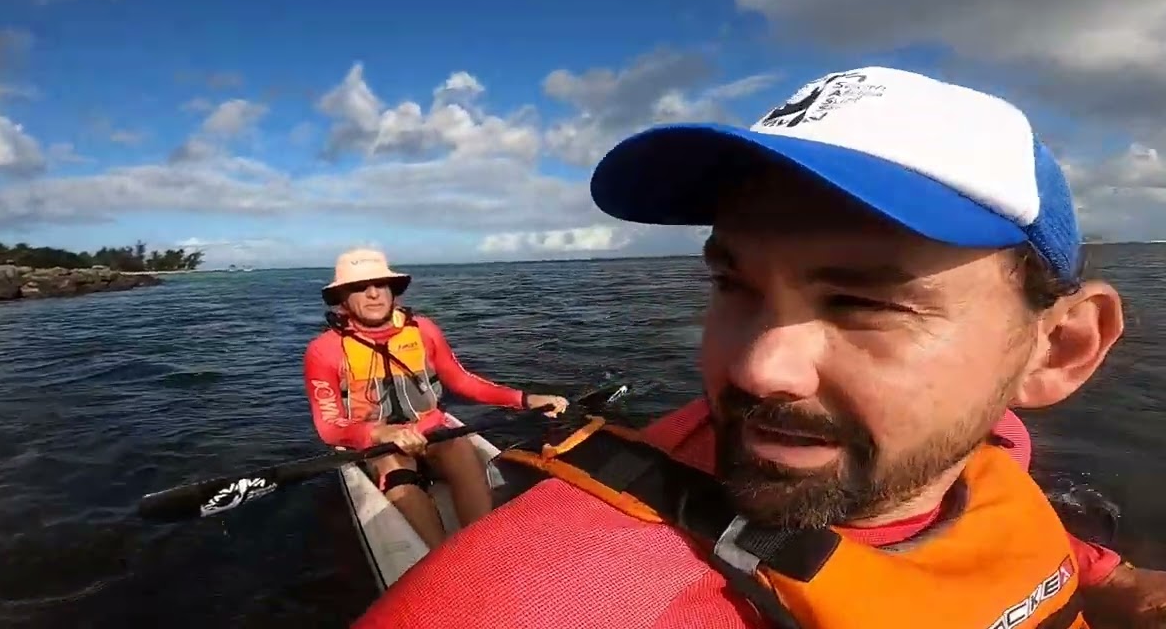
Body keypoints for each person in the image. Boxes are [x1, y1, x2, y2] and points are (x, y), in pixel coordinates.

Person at [351, 67, 1166, 628]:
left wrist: (1114, 578)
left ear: (1056, 351)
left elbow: (990, 513)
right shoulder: (534, 602)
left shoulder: (988, 442)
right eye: (733, 285)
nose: (754, 368)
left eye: (861, 302)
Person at [304, 247, 568, 549]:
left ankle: (482, 545)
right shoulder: (323, 350)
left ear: (393, 291)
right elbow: (329, 425)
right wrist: (379, 432)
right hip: (380, 444)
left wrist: (524, 399)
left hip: (430, 429)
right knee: (399, 478)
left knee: (459, 447)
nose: (373, 294)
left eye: (381, 285)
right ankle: (442, 558)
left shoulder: (424, 330)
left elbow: (463, 381)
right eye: (359, 288)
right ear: (343, 299)